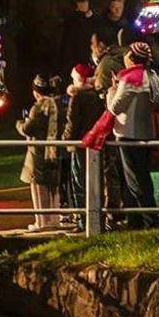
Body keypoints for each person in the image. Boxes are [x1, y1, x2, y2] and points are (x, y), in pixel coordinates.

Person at [105, 41, 159, 229]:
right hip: (147, 132)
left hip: (127, 134)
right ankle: (137, 220)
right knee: (143, 176)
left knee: (134, 180)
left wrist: (112, 90)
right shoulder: (152, 76)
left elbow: (115, 107)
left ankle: (149, 220)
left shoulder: (130, 78)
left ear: (131, 58)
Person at [19, 75, 66, 231]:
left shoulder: (38, 107)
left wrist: (19, 124)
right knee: (54, 185)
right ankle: (54, 220)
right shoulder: (58, 105)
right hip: (55, 149)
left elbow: (28, 128)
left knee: (39, 185)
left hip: (38, 151)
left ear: (36, 92)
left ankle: (41, 222)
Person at [64, 63, 104, 221]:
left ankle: (83, 220)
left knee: (80, 181)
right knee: (95, 181)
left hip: (80, 142)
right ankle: (97, 218)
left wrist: (66, 140)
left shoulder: (78, 97)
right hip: (96, 142)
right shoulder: (97, 95)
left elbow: (72, 122)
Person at [58, 0, 98, 73]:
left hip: (88, 51)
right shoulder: (72, 19)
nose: (84, 4)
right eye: (82, 2)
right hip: (76, 52)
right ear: (77, 4)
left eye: (86, 2)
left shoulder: (93, 18)